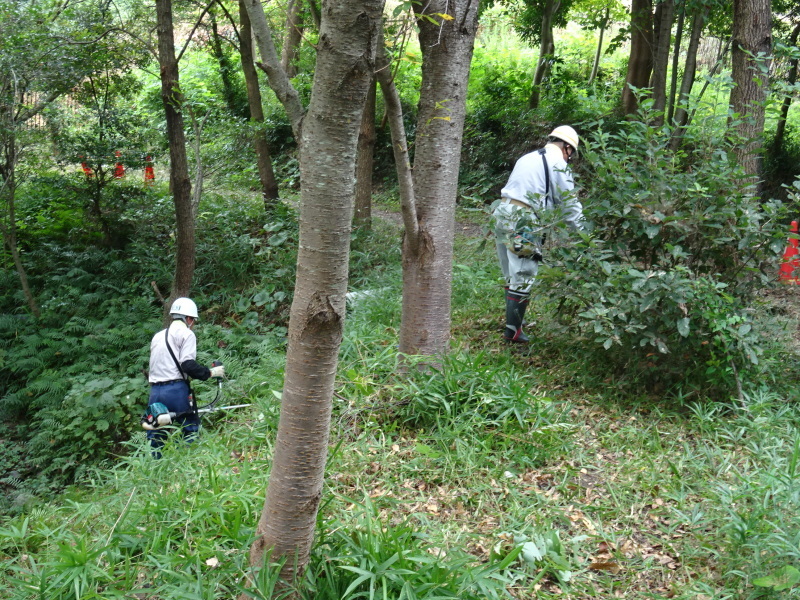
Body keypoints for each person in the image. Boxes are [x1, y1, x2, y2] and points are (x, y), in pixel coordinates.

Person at [492, 125, 584, 343]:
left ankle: (513, 322)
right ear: (568, 148)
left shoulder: (529, 157)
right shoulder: (558, 163)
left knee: (510, 272)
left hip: (501, 212)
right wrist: (583, 235)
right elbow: (569, 204)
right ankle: (513, 332)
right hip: (523, 220)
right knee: (524, 274)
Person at [147, 297, 224, 455]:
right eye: (193, 320)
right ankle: (189, 467)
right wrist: (210, 373)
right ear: (188, 318)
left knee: (156, 435)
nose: (193, 324)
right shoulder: (186, 334)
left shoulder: (158, 336)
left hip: (155, 392)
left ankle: (155, 471)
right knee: (189, 429)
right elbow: (187, 365)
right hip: (175, 391)